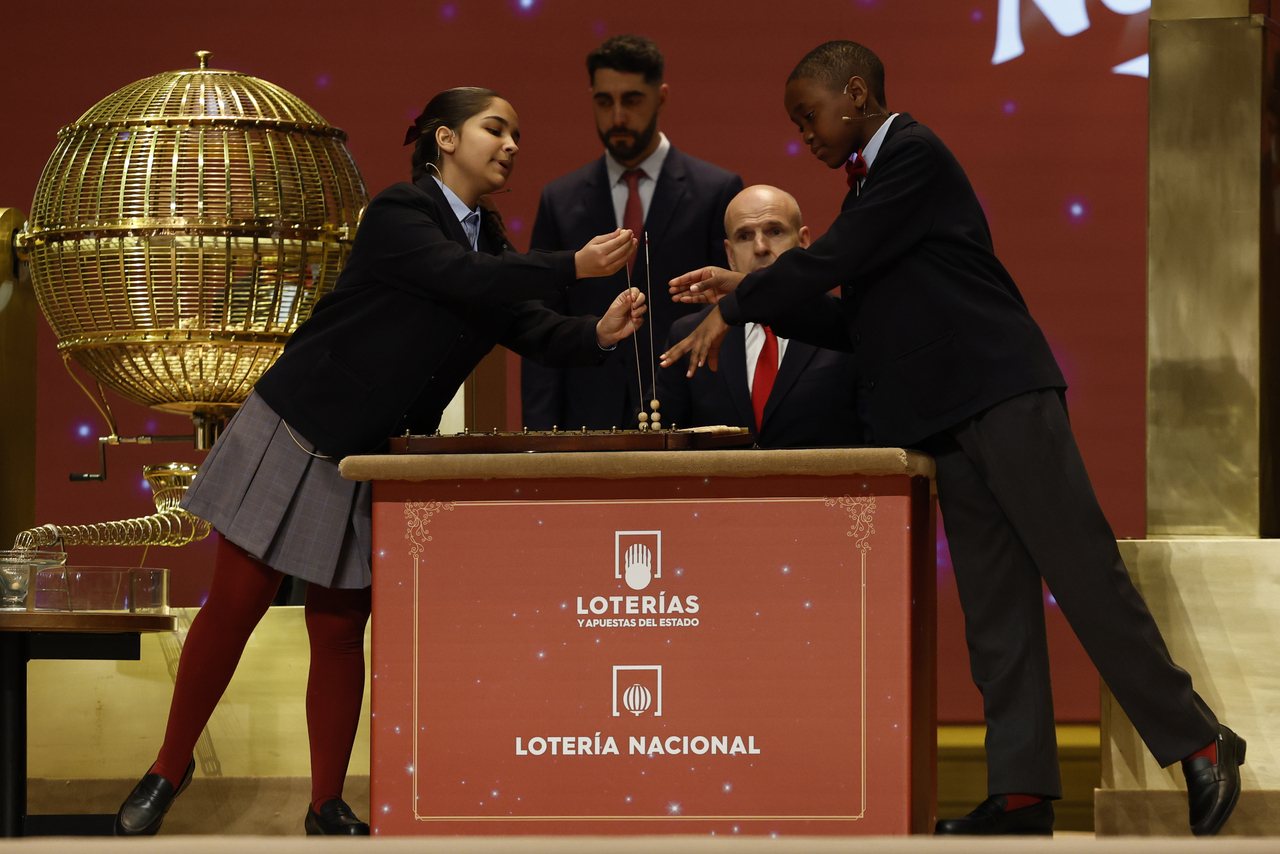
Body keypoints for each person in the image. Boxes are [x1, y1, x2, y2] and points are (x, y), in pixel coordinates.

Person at [662, 41, 1243, 837]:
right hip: (945, 415)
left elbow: (834, 257)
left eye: (810, 115)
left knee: (1081, 573)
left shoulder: (911, 152)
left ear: (856, 95)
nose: (805, 134)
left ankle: (1201, 741)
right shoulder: (869, 191)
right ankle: (1023, 792)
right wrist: (752, 295)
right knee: (994, 606)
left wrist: (737, 304)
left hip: (1002, 393)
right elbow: (850, 320)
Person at [113, 87, 645, 837]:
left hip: (368, 456)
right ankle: (168, 767)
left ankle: (325, 803)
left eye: (518, 133)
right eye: (496, 128)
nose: (512, 145)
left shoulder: (491, 243)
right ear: (443, 138)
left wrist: (600, 332)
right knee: (236, 604)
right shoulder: (400, 213)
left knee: (339, 627)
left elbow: (528, 324)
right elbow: (455, 279)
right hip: (298, 425)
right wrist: (571, 265)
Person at [521, 34, 743, 431]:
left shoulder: (716, 190)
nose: (618, 117)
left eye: (632, 100)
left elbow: (727, 309)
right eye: (604, 102)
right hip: (586, 414)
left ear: (661, 97)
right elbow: (541, 320)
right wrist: (540, 434)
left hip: (688, 408)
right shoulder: (560, 199)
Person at [658, 184, 859, 447]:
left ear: (803, 242)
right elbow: (659, 445)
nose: (761, 247)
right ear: (729, 255)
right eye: (744, 236)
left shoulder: (847, 323)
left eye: (775, 231)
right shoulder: (688, 334)